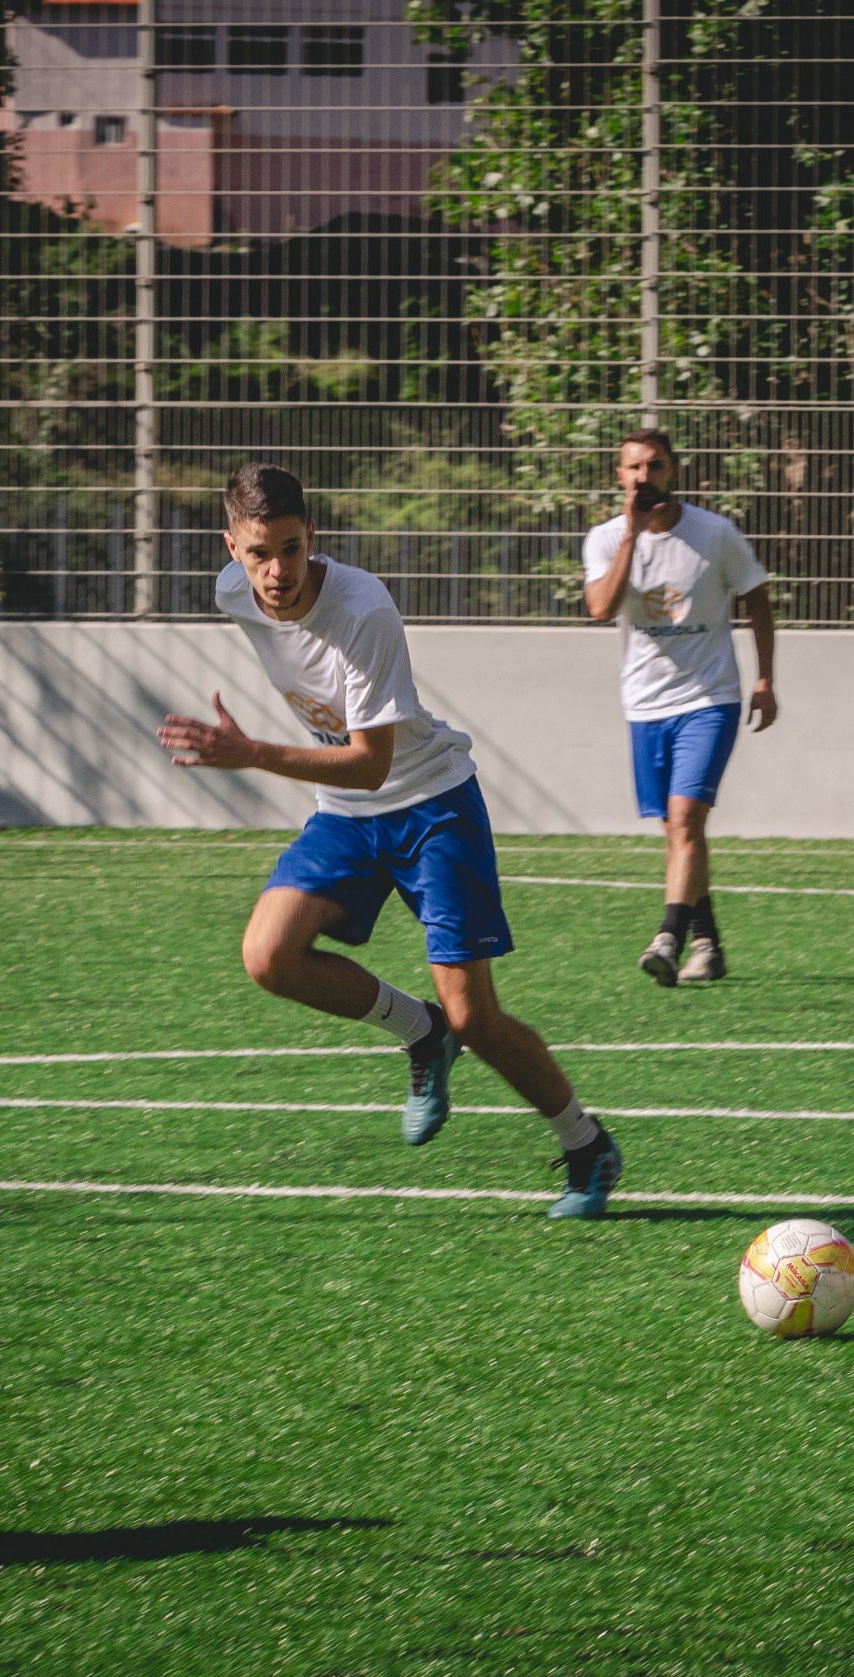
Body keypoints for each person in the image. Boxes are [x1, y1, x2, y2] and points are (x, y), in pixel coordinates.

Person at [158, 463, 623, 1218]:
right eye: (257, 553)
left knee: (478, 1016)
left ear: (314, 535)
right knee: (267, 956)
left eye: (289, 548)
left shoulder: (362, 608)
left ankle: (585, 1143)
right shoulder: (231, 591)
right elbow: (351, 777)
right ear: (230, 548)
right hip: (344, 814)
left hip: (431, 806)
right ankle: (420, 1032)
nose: (275, 572)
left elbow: (372, 764)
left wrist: (252, 754)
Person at [583, 429, 779, 986]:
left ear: (674, 471)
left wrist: (764, 678)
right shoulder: (604, 539)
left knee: (688, 817)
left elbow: (757, 597)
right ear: (619, 476)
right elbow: (600, 608)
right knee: (677, 830)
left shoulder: (714, 533)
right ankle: (708, 944)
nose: (644, 477)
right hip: (645, 703)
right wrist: (631, 535)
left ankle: (667, 938)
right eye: (633, 468)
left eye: (655, 466)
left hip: (709, 698)